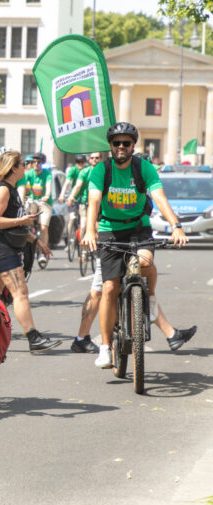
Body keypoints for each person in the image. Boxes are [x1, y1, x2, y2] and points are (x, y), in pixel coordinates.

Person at [82, 122, 191, 368]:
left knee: (145, 262)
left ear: (133, 145)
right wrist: (90, 230)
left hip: (138, 227)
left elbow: (159, 198)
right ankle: (105, 347)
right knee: (109, 287)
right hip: (109, 230)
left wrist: (176, 225)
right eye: (116, 143)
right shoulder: (101, 170)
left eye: (126, 143)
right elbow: (94, 201)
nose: (121, 147)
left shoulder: (144, 168)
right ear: (110, 146)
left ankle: (149, 302)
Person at [0, 151, 61, 352]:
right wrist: (21, 220)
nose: (26, 167)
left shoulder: (11, 190)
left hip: (0, 248)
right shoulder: (3, 190)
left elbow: (14, 226)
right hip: (0, 249)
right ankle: (33, 337)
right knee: (20, 293)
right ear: (12, 168)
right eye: (22, 164)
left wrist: (36, 241)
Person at [24, 152, 53, 268]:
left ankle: (42, 253)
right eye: (33, 162)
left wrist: (47, 195)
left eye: (38, 162)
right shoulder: (29, 173)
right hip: (32, 201)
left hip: (44, 202)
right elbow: (22, 185)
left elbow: (49, 186)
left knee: (44, 227)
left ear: (42, 163)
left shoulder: (47, 174)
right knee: (26, 221)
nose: (35, 164)